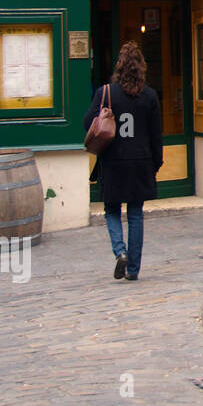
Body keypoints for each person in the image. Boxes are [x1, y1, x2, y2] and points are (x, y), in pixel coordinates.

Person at [83, 41, 162, 281]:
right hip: (140, 161)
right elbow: (156, 135)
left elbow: (88, 123)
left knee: (112, 209)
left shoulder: (106, 93)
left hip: (113, 161)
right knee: (136, 213)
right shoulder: (150, 96)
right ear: (141, 67)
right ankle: (134, 269)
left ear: (119, 66)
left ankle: (120, 251)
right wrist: (155, 164)